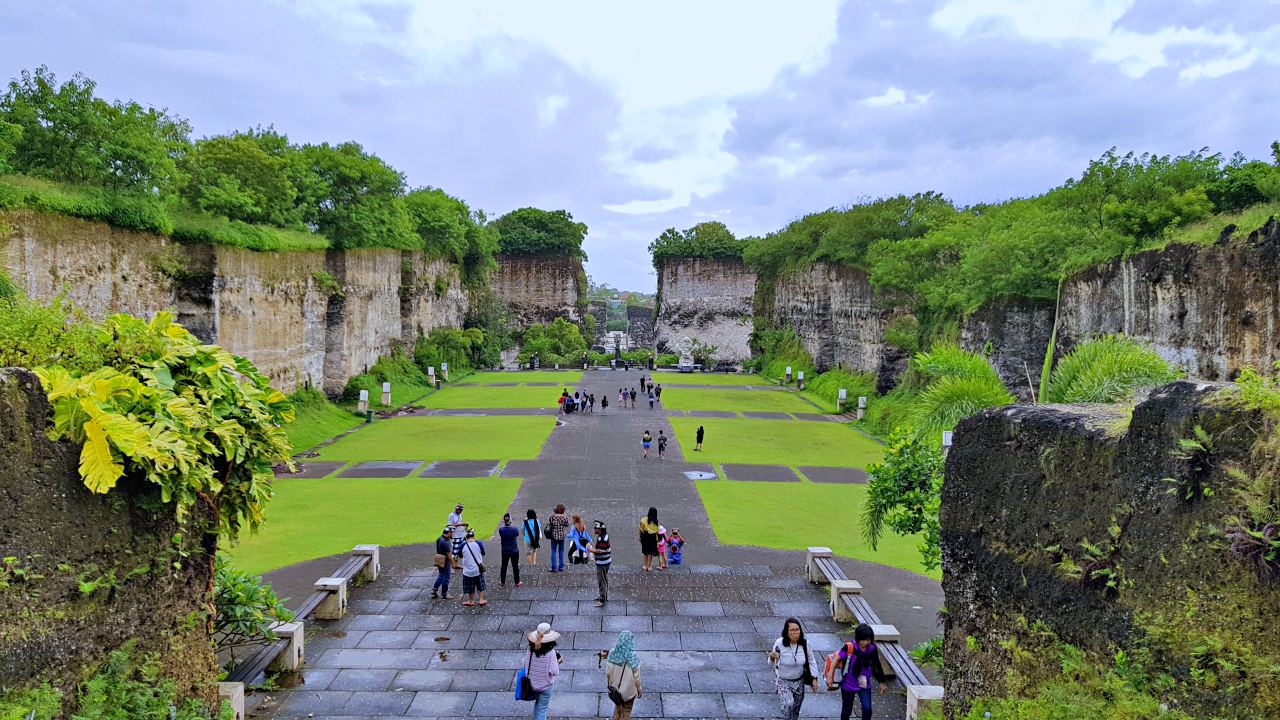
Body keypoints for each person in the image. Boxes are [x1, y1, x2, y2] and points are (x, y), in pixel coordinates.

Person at [827, 623, 888, 720]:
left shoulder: (872, 648)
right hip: (848, 684)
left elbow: (877, 664)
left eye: (869, 639)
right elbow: (836, 659)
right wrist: (830, 675)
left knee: (867, 709)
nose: (867, 642)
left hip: (864, 684)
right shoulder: (849, 647)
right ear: (858, 638)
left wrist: (882, 681)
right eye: (865, 640)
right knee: (847, 710)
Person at [769, 617, 820, 720]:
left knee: (795, 711)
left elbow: (811, 660)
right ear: (786, 632)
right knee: (788, 704)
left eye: (797, 630)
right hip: (783, 681)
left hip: (799, 681)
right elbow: (771, 663)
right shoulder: (780, 643)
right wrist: (772, 657)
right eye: (792, 630)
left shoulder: (805, 644)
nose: (795, 633)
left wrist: (814, 678)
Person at [526, 622, 563, 720]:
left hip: (532, 685)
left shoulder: (530, 650)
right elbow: (554, 671)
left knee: (538, 705)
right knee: (542, 709)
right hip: (545, 686)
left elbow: (526, 667)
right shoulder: (550, 653)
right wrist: (559, 662)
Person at [603, 630, 642, 719]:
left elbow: (608, 672)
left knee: (617, 707)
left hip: (616, 690)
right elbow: (637, 677)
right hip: (629, 692)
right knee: (627, 711)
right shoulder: (633, 657)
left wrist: (610, 684)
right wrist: (639, 689)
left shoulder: (613, 653)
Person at [460, 529, 487, 607]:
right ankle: (481, 599)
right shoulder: (479, 543)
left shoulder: (462, 545)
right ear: (473, 536)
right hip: (478, 569)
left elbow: (460, 555)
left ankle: (471, 601)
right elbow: (483, 553)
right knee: (480, 585)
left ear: (466, 537)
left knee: (470, 586)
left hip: (467, 570)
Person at [588, 520, 612, 606]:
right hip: (605, 561)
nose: (594, 529)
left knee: (601, 580)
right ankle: (604, 596)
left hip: (603, 563)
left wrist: (591, 550)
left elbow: (600, 551)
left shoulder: (602, 538)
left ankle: (602, 600)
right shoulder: (602, 536)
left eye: (596, 528)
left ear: (600, 529)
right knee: (604, 579)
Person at [499, 513, 523, 587]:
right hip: (514, 550)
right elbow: (517, 534)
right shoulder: (514, 529)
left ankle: (502, 581)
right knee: (515, 566)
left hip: (505, 550)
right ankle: (517, 581)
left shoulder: (501, 530)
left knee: (504, 566)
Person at [431, 525, 454, 599]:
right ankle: (445, 593)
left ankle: (434, 590)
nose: (452, 534)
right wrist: (453, 563)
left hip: (439, 559)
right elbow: (449, 555)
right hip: (445, 562)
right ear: (448, 532)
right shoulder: (446, 542)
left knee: (441, 575)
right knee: (446, 578)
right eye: (451, 532)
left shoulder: (439, 539)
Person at [548, 504, 569, 572]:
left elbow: (550, 523)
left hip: (554, 536)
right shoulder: (565, 517)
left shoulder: (552, 517)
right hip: (562, 536)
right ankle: (561, 567)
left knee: (553, 551)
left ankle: (553, 567)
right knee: (561, 551)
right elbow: (567, 524)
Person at [448, 503, 468, 570]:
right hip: (455, 536)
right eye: (459, 510)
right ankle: (452, 567)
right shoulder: (451, 515)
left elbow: (458, 523)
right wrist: (460, 524)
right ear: (456, 509)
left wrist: (463, 525)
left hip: (461, 534)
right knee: (454, 551)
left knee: (459, 551)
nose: (460, 511)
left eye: (461, 510)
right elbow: (450, 525)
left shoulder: (460, 515)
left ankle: (456, 564)